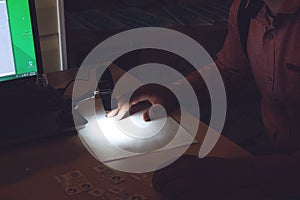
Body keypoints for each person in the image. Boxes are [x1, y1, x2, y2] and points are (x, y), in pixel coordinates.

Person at [107, 0, 300, 199]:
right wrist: (175, 92)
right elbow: (230, 71)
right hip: (270, 156)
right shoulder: (246, 9)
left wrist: (234, 174)